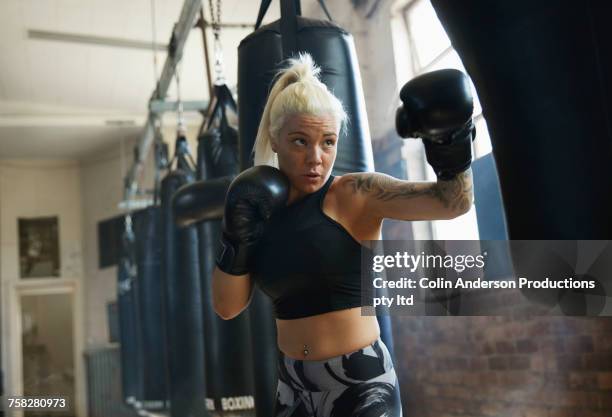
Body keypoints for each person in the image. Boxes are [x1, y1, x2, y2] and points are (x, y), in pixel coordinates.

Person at [212, 53, 474, 417]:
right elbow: (226, 307)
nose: (316, 158)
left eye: (328, 142)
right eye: (300, 141)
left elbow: (452, 204)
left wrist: (452, 143)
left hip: (359, 383)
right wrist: (235, 234)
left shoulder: (355, 195)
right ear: (275, 139)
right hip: (293, 385)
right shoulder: (258, 207)